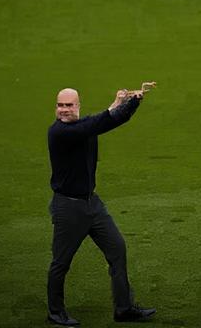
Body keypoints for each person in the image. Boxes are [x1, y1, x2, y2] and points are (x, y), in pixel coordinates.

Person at [46, 85, 157, 326]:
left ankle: (124, 308)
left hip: (92, 204)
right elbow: (99, 123)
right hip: (68, 208)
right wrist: (125, 104)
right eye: (60, 105)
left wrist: (129, 101)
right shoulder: (59, 133)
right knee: (61, 262)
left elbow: (101, 121)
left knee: (117, 249)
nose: (63, 110)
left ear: (78, 106)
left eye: (69, 105)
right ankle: (55, 312)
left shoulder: (81, 126)